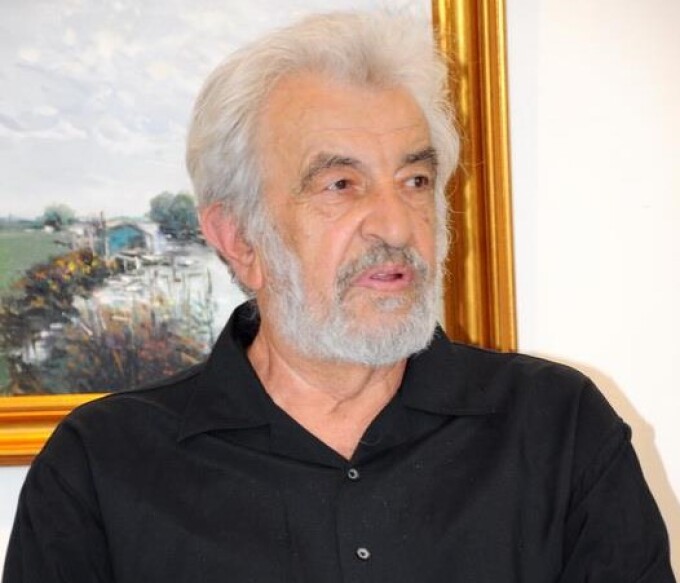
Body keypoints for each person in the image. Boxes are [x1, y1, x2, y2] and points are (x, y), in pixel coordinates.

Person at [3, 11, 675, 583]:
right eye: (341, 185)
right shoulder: (101, 467)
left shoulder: (559, 430)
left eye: (415, 181)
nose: (396, 226)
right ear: (239, 238)